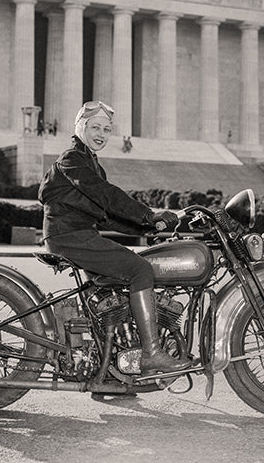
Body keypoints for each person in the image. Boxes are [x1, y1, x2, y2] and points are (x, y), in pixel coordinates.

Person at [38, 100, 192, 375]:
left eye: (106, 129)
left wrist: (146, 228)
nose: (101, 134)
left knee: (115, 286)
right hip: (69, 236)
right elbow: (106, 195)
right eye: (95, 127)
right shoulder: (72, 159)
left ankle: (110, 369)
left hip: (77, 234)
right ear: (80, 127)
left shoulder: (91, 164)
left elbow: (106, 216)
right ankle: (151, 353)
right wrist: (148, 214)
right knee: (140, 270)